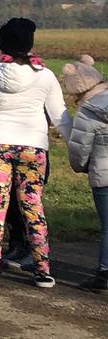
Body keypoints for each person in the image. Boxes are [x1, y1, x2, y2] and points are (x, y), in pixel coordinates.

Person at [0, 18, 70, 289]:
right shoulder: (44, 75)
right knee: (32, 206)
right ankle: (43, 270)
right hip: (33, 146)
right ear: (29, 45)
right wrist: (78, 147)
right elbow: (61, 117)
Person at [62, 57, 108, 292]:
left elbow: (79, 152)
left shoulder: (88, 113)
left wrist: (81, 167)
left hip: (103, 176)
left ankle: (104, 273)